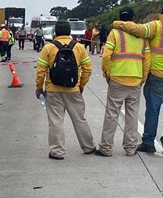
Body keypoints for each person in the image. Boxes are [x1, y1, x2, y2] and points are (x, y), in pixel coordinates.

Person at [112, 3, 163, 155]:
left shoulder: (157, 26)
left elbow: (138, 29)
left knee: (153, 110)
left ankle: (148, 142)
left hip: (157, 75)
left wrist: (117, 23)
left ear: (162, 13)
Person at [35, 20, 95, 160]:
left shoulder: (48, 48)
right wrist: (81, 85)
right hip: (73, 90)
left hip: (53, 90)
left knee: (55, 121)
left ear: (55, 32)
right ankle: (88, 146)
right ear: (69, 32)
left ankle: (57, 151)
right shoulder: (79, 47)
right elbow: (87, 69)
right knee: (79, 119)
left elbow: (41, 71)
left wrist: (39, 87)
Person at [95, 8, 150, 157]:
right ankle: (131, 148)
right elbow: (147, 60)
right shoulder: (142, 35)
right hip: (135, 80)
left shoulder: (115, 33)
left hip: (117, 79)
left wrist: (107, 73)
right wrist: (143, 78)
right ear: (134, 18)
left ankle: (106, 148)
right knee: (132, 115)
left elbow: (106, 55)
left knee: (112, 114)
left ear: (120, 19)